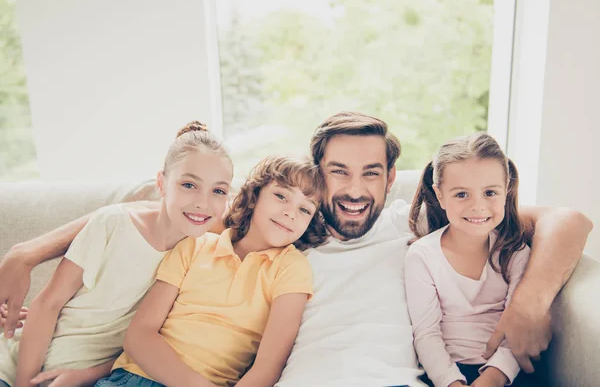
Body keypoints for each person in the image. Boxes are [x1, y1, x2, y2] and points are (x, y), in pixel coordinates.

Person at [0, 112, 593, 387]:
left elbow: (569, 220)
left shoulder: (415, 228)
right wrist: (27, 252)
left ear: (394, 179)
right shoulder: (281, 237)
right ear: (317, 177)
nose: (355, 190)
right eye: (338, 172)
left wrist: (528, 304)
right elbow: (144, 201)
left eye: (371, 174)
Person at [0, 121, 234, 387]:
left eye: (218, 191)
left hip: (96, 379)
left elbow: (150, 345)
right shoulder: (113, 224)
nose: (202, 202)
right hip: (21, 367)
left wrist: (86, 375)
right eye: (189, 185)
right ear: (161, 183)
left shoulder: (204, 255)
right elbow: (47, 305)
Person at [94, 155, 327, 387]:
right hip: (133, 378)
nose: (291, 213)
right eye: (280, 196)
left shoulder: (292, 268)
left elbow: (269, 366)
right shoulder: (194, 245)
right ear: (255, 196)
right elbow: (138, 336)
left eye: (305, 210)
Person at [405, 133, 531, 387]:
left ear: (506, 190)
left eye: (490, 193)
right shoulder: (423, 256)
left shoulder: (516, 252)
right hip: (445, 374)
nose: (478, 206)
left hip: (505, 373)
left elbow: (520, 326)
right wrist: (451, 382)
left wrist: (493, 378)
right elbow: (426, 334)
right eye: (462, 194)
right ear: (440, 196)